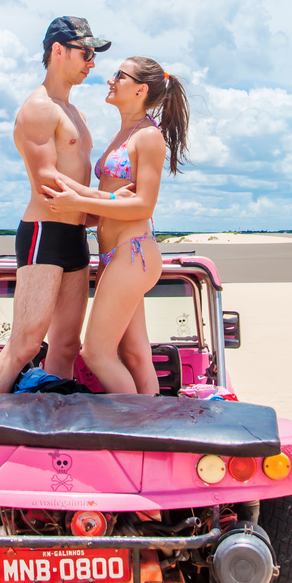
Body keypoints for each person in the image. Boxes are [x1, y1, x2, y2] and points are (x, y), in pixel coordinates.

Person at [41, 57, 189, 394]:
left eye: (119, 75)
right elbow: (108, 201)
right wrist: (66, 188)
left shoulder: (149, 137)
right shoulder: (125, 132)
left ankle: (132, 426)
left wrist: (78, 201)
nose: (110, 80)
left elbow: (143, 205)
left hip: (133, 253)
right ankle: (152, 427)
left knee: (96, 352)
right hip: (113, 256)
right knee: (134, 355)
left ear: (141, 88)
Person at [0, 17, 112, 394]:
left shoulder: (77, 113)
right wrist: (113, 204)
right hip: (44, 233)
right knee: (24, 344)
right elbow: (46, 183)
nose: (92, 63)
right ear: (58, 50)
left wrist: (105, 213)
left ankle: (57, 427)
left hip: (75, 235)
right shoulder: (38, 108)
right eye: (86, 53)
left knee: (67, 346)